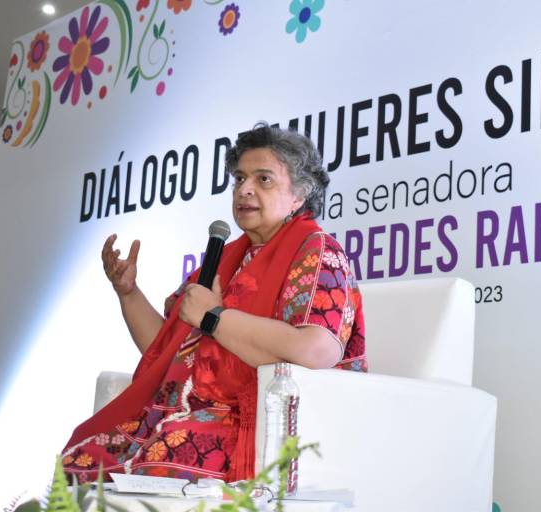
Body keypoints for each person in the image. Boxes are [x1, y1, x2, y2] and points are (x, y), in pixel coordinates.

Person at [62, 122, 366, 483]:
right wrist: (128, 293)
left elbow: (316, 350)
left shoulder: (318, 251)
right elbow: (166, 352)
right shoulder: (224, 259)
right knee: (79, 459)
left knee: (161, 463)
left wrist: (214, 317)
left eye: (264, 179)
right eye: (239, 179)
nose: (245, 189)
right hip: (178, 412)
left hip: (256, 419)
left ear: (299, 195)